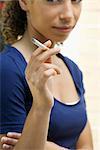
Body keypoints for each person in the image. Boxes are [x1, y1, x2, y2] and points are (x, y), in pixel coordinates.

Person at [0, 0, 93, 150]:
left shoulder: (72, 69)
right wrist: (41, 107)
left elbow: (87, 145)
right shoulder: (6, 69)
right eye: (53, 0)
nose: (68, 14)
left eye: (76, 0)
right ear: (24, 2)